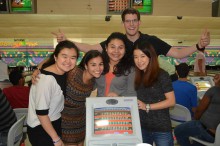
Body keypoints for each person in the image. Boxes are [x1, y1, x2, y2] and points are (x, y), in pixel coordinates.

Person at [52, 8, 210, 60]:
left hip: (146, 91)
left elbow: (178, 53)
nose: (132, 24)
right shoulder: (117, 42)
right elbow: (90, 47)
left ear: (140, 22)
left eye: (135, 20)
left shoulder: (151, 40)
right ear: (123, 24)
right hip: (124, 90)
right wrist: (68, 41)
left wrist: (198, 45)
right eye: (128, 21)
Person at [27, 40, 79, 146]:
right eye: (64, 56)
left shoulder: (63, 72)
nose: (68, 61)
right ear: (55, 57)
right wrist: (55, 139)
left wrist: (38, 68)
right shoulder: (45, 80)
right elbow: (41, 114)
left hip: (54, 122)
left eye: (72, 58)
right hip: (40, 128)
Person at [133, 41, 175, 146]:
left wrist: (147, 106)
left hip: (161, 129)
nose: (139, 61)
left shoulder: (162, 75)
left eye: (142, 56)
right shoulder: (138, 76)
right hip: (142, 127)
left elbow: (171, 101)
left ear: (150, 57)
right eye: (136, 57)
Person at [62, 50, 105, 146]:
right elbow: (55, 61)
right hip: (65, 121)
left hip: (81, 121)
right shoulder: (73, 72)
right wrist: (38, 69)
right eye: (93, 65)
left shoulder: (93, 81)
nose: (98, 68)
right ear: (86, 65)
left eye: (100, 64)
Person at [174, 73, 220, 146]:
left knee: (177, 130)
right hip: (216, 136)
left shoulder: (214, 90)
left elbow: (199, 111)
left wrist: (195, 120)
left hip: (207, 130)